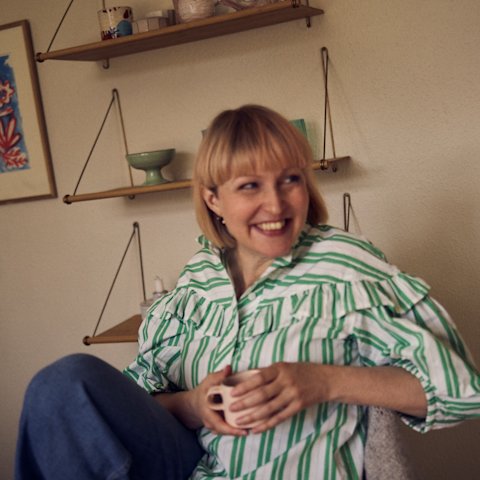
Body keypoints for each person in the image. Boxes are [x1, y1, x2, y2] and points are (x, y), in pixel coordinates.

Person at [16, 105, 480, 479]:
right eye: (250, 186)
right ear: (213, 199)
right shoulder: (197, 280)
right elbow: (139, 402)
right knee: (62, 383)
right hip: (191, 468)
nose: (275, 204)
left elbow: (461, 391)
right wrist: (193, 405)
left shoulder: (345, 264)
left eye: (290, 179)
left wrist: (322, 381)